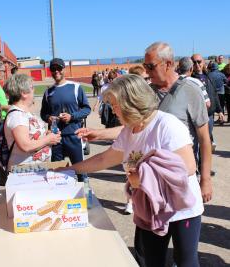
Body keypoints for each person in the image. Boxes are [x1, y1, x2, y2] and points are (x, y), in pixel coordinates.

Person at [66, 75, 203, 267]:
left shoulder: (167, 125)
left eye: (115, 105)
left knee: (185, 262)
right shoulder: (129, 130)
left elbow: (188, 166)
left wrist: (144, 177)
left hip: (181, 209)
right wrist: (69, 169)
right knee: (151, 260)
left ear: (131, 102)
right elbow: (105, 159)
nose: (112, 110)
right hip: (149, 208)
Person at [143, 42, 212, 203]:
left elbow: (204, 139)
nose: (147, 71)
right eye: (144, 66)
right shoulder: (146, 92)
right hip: (152, 180)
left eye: (151, 66)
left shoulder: (190, 90)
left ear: (168, 64)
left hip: (182, 179)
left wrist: (206, 179)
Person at [40, 58, 91, 181]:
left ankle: (84, 196)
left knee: (80, 171)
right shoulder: (48, 92)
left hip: (74, 135)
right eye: (53, 69)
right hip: (55, 138)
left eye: (59, 68)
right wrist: (49, 118)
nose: (56, 71)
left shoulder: (75, 87)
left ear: (64, 69)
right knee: (57, 173)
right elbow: (43, 113)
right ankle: (61, 197)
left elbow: (86, 109)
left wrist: (71, 116)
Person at [4, 74, 61, 170]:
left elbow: (31, 137)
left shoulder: (24, 113)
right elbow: (25, 145)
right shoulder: (17, 116)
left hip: (35, 170)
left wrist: (47, 135)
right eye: (32, 87)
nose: (33, 90)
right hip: (25, 172)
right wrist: (48, 139)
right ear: (23, 93)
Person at [192, 53, 224, 154]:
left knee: (206, 142)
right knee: (196, 144)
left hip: (209, 115)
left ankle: (204, 168)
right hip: (196, 117)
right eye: (194, 62)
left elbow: (214, 94)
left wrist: (220, 111)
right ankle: (196, 168)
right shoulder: (190, 79)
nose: (197, 64)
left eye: (199, 61)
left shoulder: (209, 77)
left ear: (203, 62)